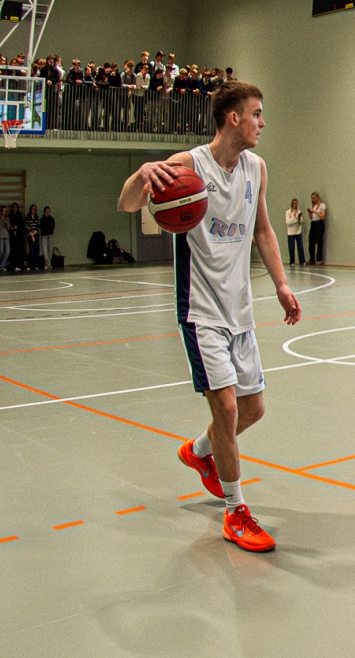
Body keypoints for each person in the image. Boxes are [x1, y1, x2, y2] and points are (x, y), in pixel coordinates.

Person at [118, 80, 300, 554]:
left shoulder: (256, 168)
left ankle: (199, 452)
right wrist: (142, 174)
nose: (262, 122)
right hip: (200, 310)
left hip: (240, 309)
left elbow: (263, 230)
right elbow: (127, 203)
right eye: (256, 113)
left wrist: (281, 285)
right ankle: (236, 512)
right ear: (233, 118)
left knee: (253, 409)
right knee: (226, 408)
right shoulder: (188, 165)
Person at [283, 196, 305, 267]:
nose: (296, 205)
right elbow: (288, 222)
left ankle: (302, 261)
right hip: (291, 233)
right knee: (291, 248)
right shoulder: (288, 212)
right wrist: (295, 217)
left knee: (300, 247)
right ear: (292, 204)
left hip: (298, 231)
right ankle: (292, 262)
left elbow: (301, 221)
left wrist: (299, 219)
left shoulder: (299, 211)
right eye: (294, 203)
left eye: (297, 203)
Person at [307, 192, 327, 265]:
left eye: (314, 198)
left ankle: (319, 259)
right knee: (311, 241)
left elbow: (322, 216)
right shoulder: (314, 206)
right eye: (312, 198)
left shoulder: (322, 205)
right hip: (313, 223)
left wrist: (315, 211)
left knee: (319, 241)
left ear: (317, 198)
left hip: (319, 224)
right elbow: (311, 217)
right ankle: (312, 259)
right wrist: (310, 212)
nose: (313, 199)